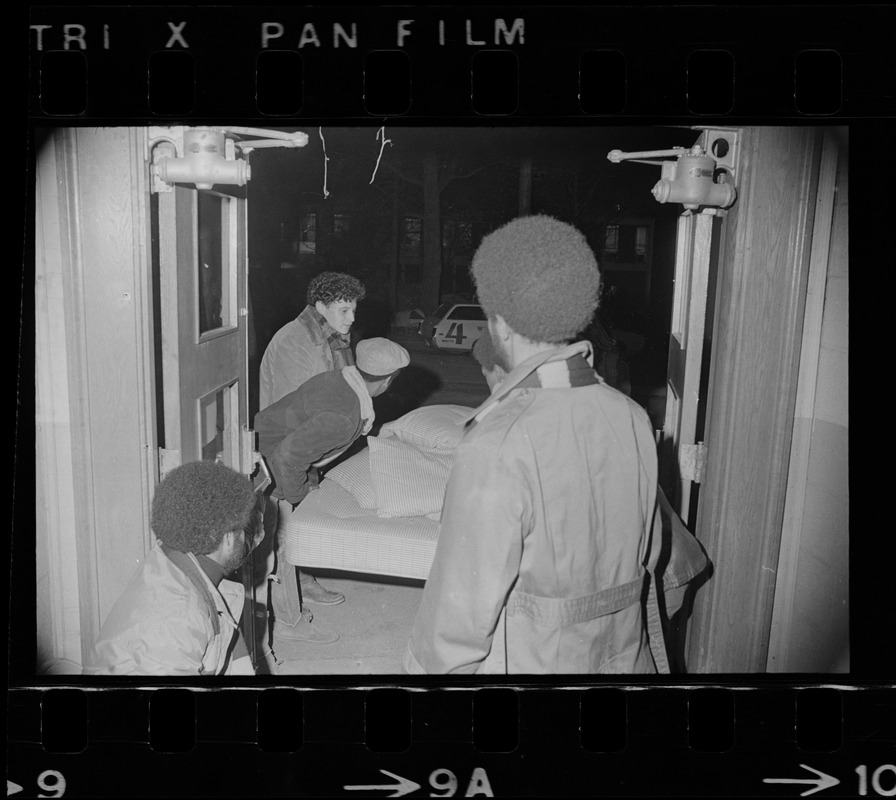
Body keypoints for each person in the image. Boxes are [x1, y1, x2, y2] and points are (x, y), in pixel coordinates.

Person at [404, 214, 665, 674]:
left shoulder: (497, 442)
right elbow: (651, 550)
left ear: (501, 323)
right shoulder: (632, 416)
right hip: (623, 660)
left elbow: (457, 623)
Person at [254, 337, 410, 645]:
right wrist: (298, 499)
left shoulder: (338, 379)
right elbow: (289, 457)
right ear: (388, 381)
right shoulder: (346, 415)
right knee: (284, 544)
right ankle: (288, 622)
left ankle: (293, 597)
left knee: (276, 547)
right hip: (268, 470)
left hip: (264, 450)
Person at [83, 461, 263, 676]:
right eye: (243, 532)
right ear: (227, 539)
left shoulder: (172, 561)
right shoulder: (179, 617)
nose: (246, 540)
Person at [257, 270, 366, 607]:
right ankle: (292, 600)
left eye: (353, 310)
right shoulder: (295, 340)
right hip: (285, 444)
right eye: (343, 310)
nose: (351, 318)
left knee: (296, 522)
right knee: (288, 524)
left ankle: (301, 582)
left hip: (306, 440)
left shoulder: (331, 336)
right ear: (320, 306)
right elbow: (299, 407)